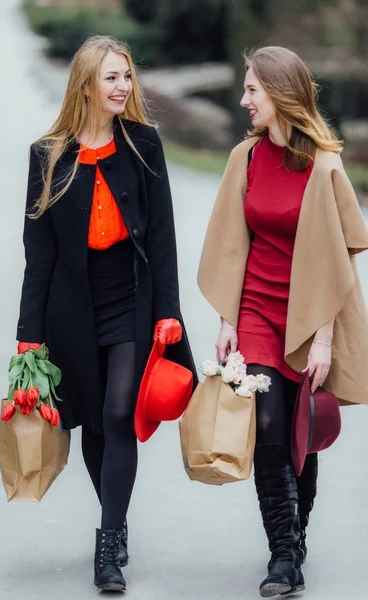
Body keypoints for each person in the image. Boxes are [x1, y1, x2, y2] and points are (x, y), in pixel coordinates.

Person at [16, 35, 197, 593]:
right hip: (73, 307)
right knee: (94, 420)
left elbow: (163, 238)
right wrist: (28, 338)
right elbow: (38, 256)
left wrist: (169, 311)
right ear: (86, 86)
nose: (123, 87)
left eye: (127, 76)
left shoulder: (144, 145)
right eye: (111, 77)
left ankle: (109, 542)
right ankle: (115, 526)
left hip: (132, 298)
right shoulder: (48, 155)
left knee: (119, 412)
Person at [198, 46, 368, 597]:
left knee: (301, 434)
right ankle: (283, 553)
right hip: (255, 312)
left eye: (253, 90)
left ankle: (295, 541)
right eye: (246, 89)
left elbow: (342, 253)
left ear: (280, 94)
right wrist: (227, 319)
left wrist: (323, 340)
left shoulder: (324, 165)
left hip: (307, 315)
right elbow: (229, 244)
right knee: (268, 428)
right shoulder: (244, 158)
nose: (245, 99)